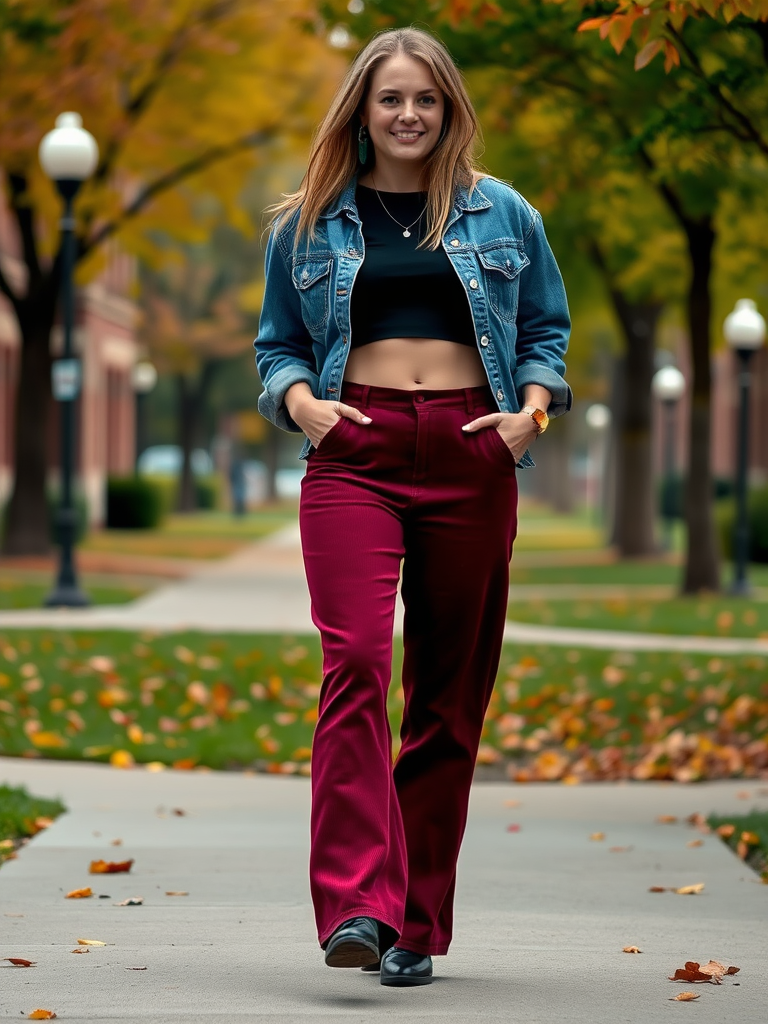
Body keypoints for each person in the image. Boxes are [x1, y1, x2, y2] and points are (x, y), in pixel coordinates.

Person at [254, 27, 571, 988]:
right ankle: (355, 904)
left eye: (426, 100)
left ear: (450, 111)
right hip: (357, 450)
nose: (408, 115)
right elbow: (278, 347)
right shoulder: (307, 223)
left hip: (475, 451)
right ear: (362, 108)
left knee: (447, 694)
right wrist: (304, 405)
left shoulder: (504, 213)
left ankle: (416, 923)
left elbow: (545, 328)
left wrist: (533, 411)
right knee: (354, 659)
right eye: (391, 98)